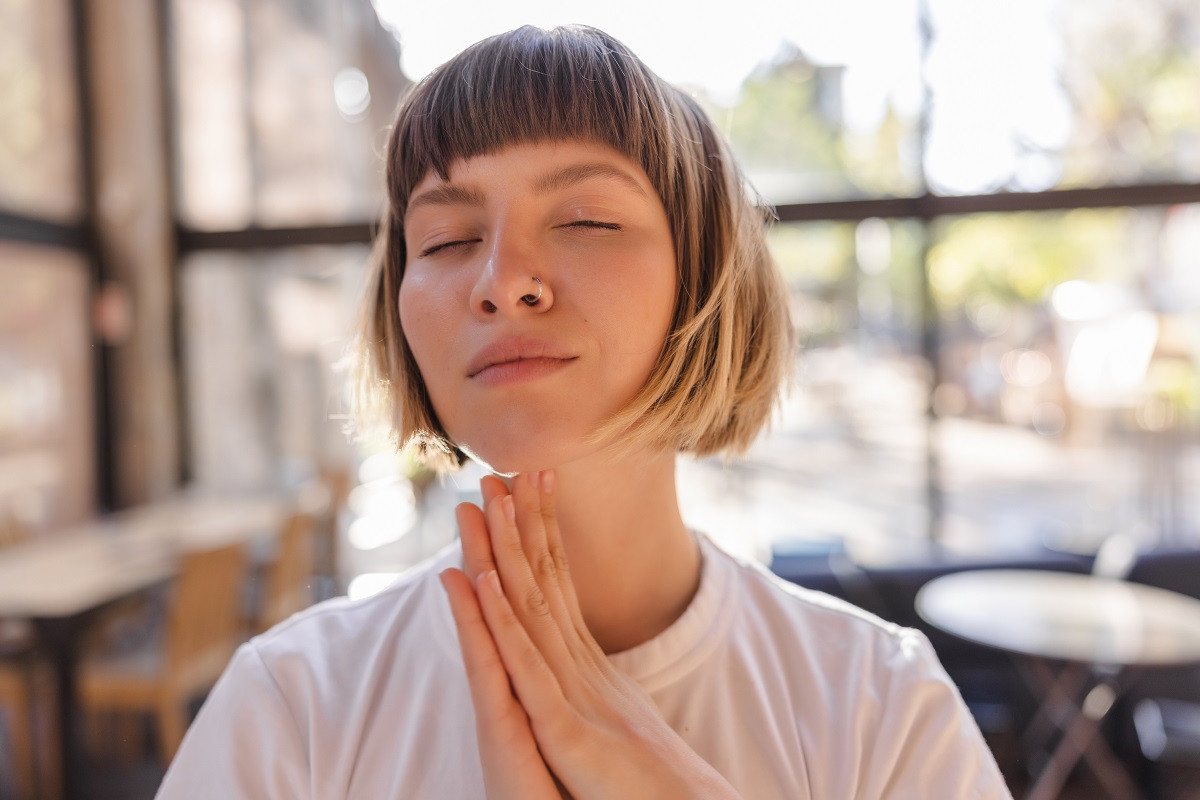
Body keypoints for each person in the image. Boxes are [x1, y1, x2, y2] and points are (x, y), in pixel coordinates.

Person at [158, 24, 1011, 799]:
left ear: (704, 271)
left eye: (586, 219)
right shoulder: (294, 707)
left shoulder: (882, 705)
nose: (500, 281)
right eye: (449, 240)